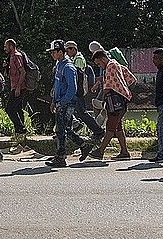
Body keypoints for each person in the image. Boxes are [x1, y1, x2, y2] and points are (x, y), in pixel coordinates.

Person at [85, 48, 136, 161]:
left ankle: (100, 151)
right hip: (122, 100)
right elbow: (131, 78)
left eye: (99, 63)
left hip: (115, 101)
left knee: (110, 127)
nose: (99, 66)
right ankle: (124, 151)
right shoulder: (116, 64)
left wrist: (101, 101)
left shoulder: (109, 67)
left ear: (103, 59)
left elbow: (107, 87)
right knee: (118, 127)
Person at [46, 39, 82, 168]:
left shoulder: (68, 67)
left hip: (67, 103)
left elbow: (72, 89)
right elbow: (57, 85)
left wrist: (61, 102)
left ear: (60, 52)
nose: (52, 55)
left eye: (53, 52)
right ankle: (83, 145)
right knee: (66, 129)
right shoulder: (59, 65)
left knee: (60, 130)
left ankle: (61, 157)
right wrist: (53, 101)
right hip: (60, 102)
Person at [64, 41, 105, 149]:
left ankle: (98, 131)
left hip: (77, 90)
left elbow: (76, 76)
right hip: (76, 90)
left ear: (73, 49)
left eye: (68, 50)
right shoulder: (75, 59)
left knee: (81, 112)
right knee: (74, 111)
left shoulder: (78, 59)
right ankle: (67, 131)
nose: (67, 52)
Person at [3, 39, 33, 147]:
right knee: (17, 109)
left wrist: (18, 87)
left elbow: (23, 72)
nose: (4, 48)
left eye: (6, 46)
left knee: (9, 108)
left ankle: (21, 128)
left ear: (11, 46)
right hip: (14, 86)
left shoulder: (16, 56)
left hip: (18, 87)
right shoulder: (10, 57)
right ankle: (19, 132)